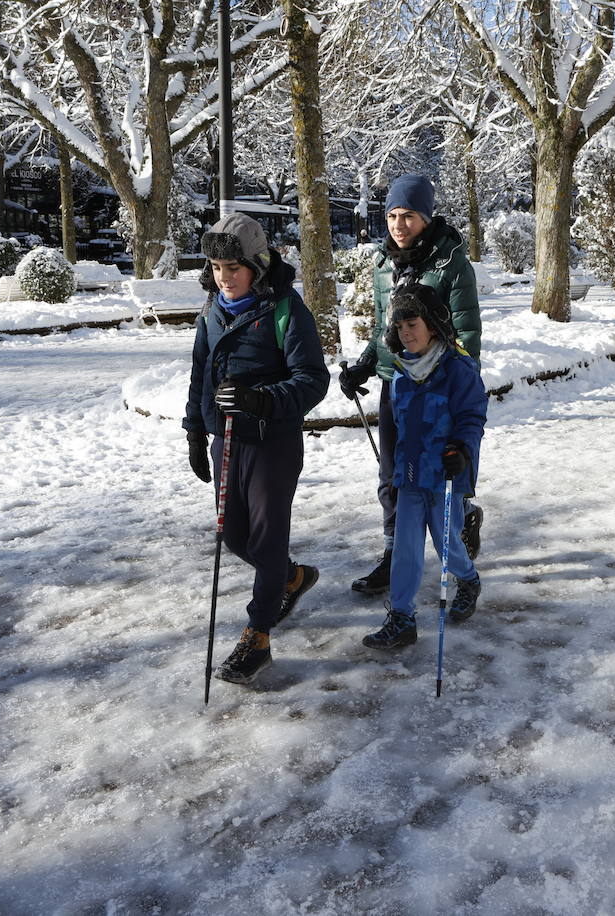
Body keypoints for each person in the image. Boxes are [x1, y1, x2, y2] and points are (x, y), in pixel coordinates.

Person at [183, 213, 330, 685]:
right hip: (226, 441)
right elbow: (200, 369)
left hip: (272, 443)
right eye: (217, 267)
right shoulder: (212, 310)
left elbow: (312, 380)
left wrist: (261, 400)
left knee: (266, 543)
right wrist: (194, 428)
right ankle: (290, 577)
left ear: (257, 265)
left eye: (234, 267)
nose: (224, 277)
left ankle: (258, 634)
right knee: (234, 537)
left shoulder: (286, 309)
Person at [337, 175, 484, 596]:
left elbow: (467, 331)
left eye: (409, 216)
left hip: (439, 385)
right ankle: (392, 553)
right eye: (392, 216)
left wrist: (461, 382)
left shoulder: (451, 263)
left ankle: (463, 514)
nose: (399, 225)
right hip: (396, 384)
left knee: (441, 472)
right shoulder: (383, 263)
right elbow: (386, 329)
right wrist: (366, 364)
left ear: (426, 217)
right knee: (394, 474)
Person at [362, 283, 487, 649]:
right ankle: (401, 616)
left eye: (412, 324)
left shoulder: (457, 369)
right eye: (400, 327)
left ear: (432, 324)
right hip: (412, 473)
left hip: (447, 471)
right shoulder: (401, 372)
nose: (406, 332)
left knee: (446, 541)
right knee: (405, 545)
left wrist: (462, 448)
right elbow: (402, 425)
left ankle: (468, 579)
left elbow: (472, 416)